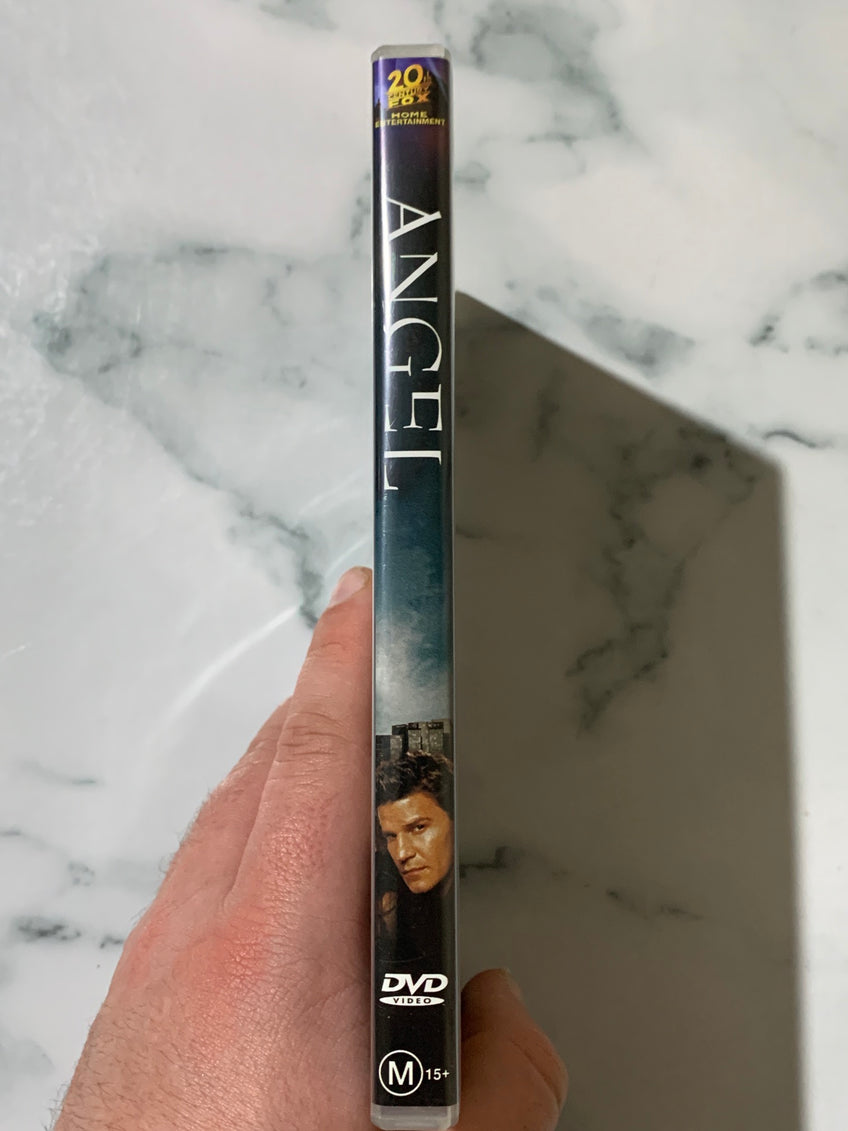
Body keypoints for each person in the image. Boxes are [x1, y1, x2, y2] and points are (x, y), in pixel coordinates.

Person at [53, 567, 567, 1131]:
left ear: (452, 813)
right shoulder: (389, 921)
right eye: (390, 836)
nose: (403, 853)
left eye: (420, 827)